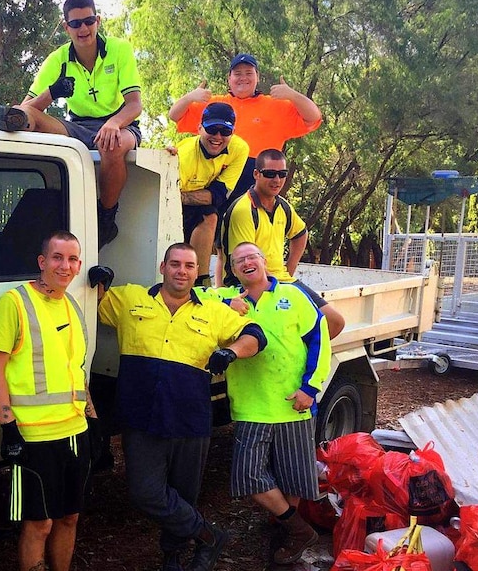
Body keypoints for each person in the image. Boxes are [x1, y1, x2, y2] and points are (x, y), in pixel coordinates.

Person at [96, 243, 267, 571]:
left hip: (189, 418)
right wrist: (98, 280)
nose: (182, 271)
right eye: (175, 264)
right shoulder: (132, 299)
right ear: (162, 267)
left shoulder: (214, 311)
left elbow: (255, 335)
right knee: (145, 492)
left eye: (189, 266)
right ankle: (209, 536)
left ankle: (172, 557)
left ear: (195, 271)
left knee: (184, 493)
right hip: (141, 416)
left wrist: (231, 352)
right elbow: (91, 301)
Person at [0, 0, 142, 249]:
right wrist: (53, 92)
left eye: (89, 21)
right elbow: (27, 106)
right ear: (66, 27)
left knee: (112, 144)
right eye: (76, 24)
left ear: (98, 21)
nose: (83, 29)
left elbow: (134, 105)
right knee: (24, 116)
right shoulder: (57, 59)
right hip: (79, 126)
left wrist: (114, 123)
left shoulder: (119, 49)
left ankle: (106, 218)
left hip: (121, 124)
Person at [0, 230, 99, 571]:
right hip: (34, 435)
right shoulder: (15, 302)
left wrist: (93, 418)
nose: (65, 266)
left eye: (72, 259)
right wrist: (8, 428)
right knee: (40, 523)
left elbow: (76, 370)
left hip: (75, 430)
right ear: (42, 262)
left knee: (69, 518)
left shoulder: (72, 306)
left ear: (79, 266)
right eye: (57, 258)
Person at [213, 242, 331, 565]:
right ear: (233, 269)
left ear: (264, 261)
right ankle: (300, 530)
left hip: (293, 403)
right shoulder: (225, 300)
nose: (247, 263)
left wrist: (311, 387)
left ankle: (285, 544)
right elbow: (191, 297)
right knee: (249, 477)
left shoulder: (292, 296)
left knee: (291, 480)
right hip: (251, 407)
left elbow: (320, 339)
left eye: (252, 257)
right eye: (239, 261)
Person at [220, 149, 345, 338]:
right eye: (270, 174)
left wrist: (289, 269)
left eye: (282, 174)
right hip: (250, 283)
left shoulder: (282, 206)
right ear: (256, 174)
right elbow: (244, 262)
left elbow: (300, 234)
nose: (276, 180)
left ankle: (298, 358)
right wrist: (278, 286)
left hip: (282, 280)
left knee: (335, 322)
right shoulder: (244, 211)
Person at [168, 53, 322, 203]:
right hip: (217, 177)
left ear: (257, 77)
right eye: (237, 73)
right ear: (229, 78)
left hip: (256, 181)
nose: (243, 78)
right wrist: (190, 97)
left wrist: (292, 95)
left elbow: (313, 117)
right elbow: (175, 116)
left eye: (249, 73)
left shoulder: (276, 105)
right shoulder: (215, 106)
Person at [168, 102, 248, 288]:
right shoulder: (185, 155)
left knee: (210, 214)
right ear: (199, 129)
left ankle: (201, 282)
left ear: (233, 132)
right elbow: (170, 199)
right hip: (168, 205)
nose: (218, 137)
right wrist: (183, 198)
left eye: (225, 132)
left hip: (191, 198)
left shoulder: (240, 149)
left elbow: (219, 195)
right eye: (212, 129)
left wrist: (186, 197)